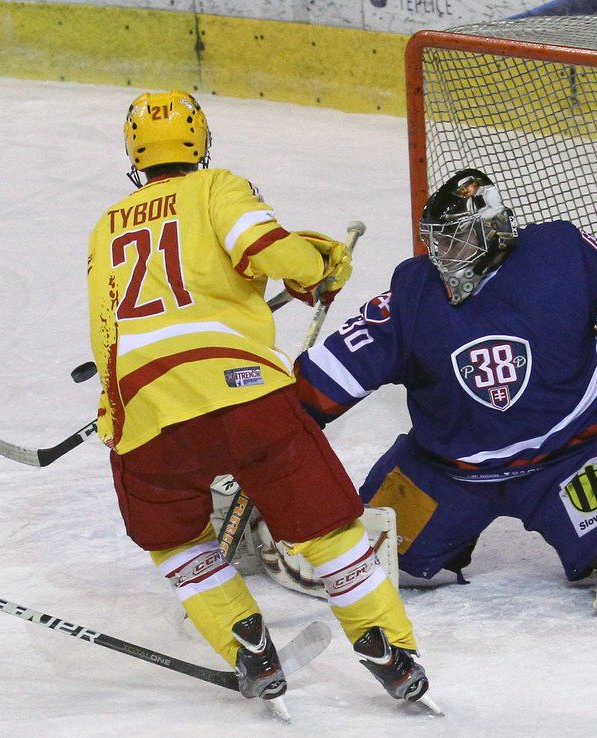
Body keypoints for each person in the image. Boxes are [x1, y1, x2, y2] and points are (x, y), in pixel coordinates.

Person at [86, 90, 434, 715]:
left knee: (176, 539)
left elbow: (106, 332)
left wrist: (119, 424)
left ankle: (248, 645)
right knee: (327, 529)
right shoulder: (216, 187)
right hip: (245, 398)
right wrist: (314, 267)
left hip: (144, 412)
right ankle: (389, 648)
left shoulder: (105, 226)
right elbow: (261, 247)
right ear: (202, 144)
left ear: (135, 155)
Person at [293, 168, 597, 594]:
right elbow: (338, 368)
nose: (443, 253)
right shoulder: (412, 291)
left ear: (494, 230)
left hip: (570, 457)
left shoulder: (561, 252)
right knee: (359, 567)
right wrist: (276, 428)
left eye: (455, 239)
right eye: (437, 240)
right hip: (447, 472)